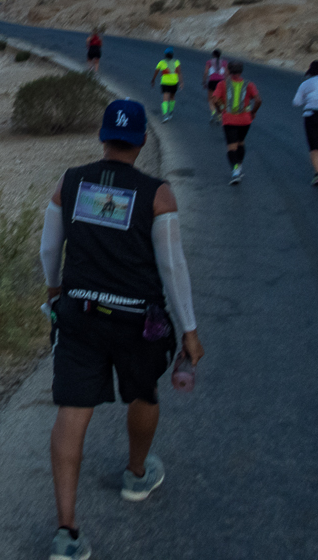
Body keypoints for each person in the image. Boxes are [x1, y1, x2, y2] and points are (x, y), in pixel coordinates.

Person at [39, 99, 204, 560]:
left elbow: (49, 249)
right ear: (142, 141)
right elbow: (173, 267)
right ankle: (136, 474)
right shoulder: (158, 194)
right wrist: (189, 330)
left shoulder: (68, 184)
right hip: (137, 321)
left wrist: (54, 292)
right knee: (144, 393)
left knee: (73, 411)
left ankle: (67, 533)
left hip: (79, 315)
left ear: (103, 136)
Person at [211, 61, 262, 185]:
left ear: (228, 71)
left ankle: (235, 172)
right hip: (245, 119)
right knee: (241, 142)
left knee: (231, 147)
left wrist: (220, 108)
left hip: (229, 119)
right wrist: (253, 112)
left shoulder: (222, 84)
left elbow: (215, 99)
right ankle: (239, 166)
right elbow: (258, 100)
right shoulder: (249, 84)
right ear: (241, 71)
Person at [149, 48, 182, 121]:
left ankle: (165, 115)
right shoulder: (176, 62)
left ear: (165, 55)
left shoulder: (161, 62)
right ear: (172, 55)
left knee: (165, 98)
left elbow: (156, 72)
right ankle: (171, 112)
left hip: (165, 83)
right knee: (172, 97)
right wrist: (181, 82)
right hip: (174, 82)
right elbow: (179, 73)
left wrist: (153, 79)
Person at [202, 49, 228, 123]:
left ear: (213, 55)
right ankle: (219, 115)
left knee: (210, 99)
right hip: (221, 82)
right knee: (219, 99)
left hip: (212, 82)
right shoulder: (224, 62)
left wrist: (204, 82)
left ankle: (213, 112)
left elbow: (206, 73)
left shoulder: (209, 62)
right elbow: (226, 74)